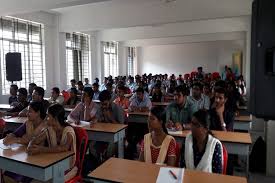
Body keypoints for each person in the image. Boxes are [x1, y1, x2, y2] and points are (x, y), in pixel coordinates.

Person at [26, 104, 77, 182]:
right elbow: (35, 140)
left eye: (48, 116)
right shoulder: (50, 129)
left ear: (55, 118)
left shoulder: (68, 130)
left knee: (50, 181)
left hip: (67, 167)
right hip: (53, 164)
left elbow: (65, 148)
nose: (45, 119)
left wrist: (41, 149)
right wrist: (30, 145)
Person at [3, 101, 47, 183]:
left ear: (38, 113)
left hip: (39, 161)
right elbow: (16, 133)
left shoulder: (45, 126)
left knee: (12, 177)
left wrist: (18, 140)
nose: (27, 114)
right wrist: (10, 136)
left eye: (30, 111)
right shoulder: (28, 123)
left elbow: (34, 142)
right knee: (6, 175)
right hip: (26, 156)